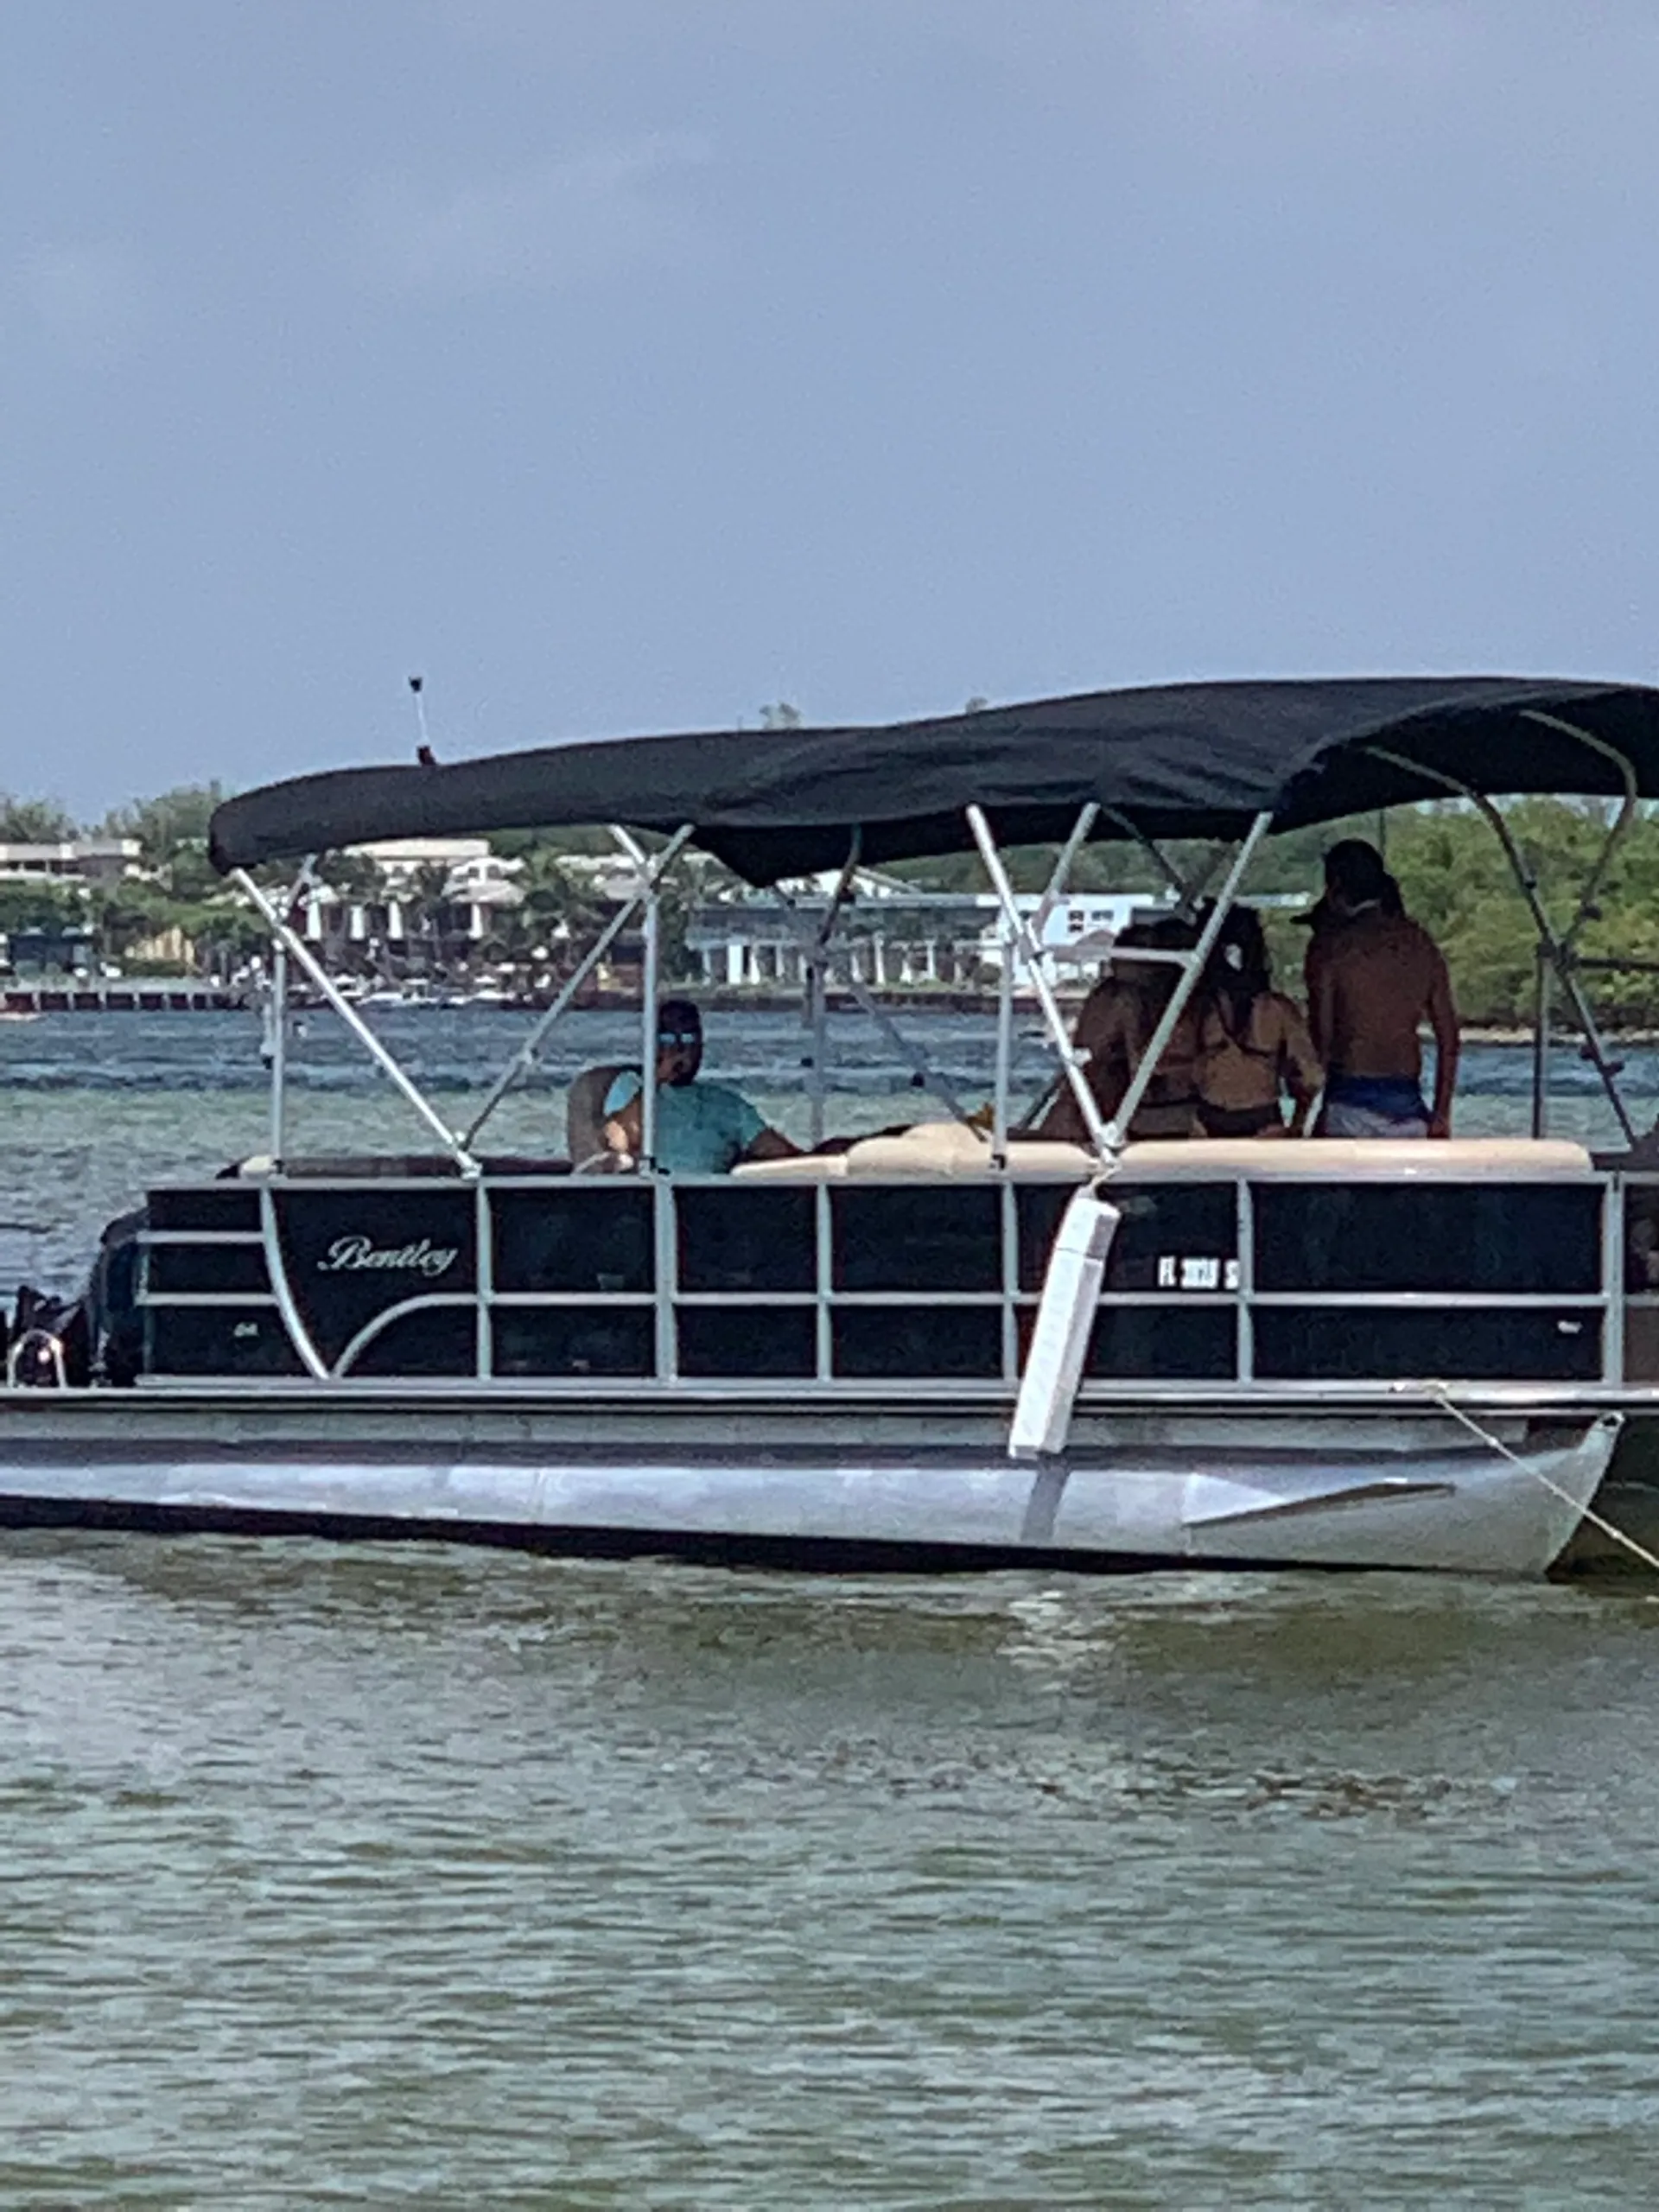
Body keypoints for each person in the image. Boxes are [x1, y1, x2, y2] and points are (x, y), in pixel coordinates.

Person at [1305, 838, 1459, 1139]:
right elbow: (1450, 1039)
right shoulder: (1420, 944)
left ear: (1335, 885)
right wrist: (1441, 1114)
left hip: (1349, 1101)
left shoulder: (1333, 948)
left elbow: (1321, 1042)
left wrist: (1309, 1114)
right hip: (1408, 1104)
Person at [1037, 917, 1200, 1142]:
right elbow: (1141, 1069)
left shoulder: (1107, 994)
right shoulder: (1126, 1000)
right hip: (1098, 1111)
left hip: (1087, 1105)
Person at [601, 999, 799, 1173]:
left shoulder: (726, 1104)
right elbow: (617, 1141)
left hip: (711, 1203)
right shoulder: (629, 1086)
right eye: (667, 1038)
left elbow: (777, 1152)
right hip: (654, 1198)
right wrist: (656, 1079)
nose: (679, 1048)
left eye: (689, 1038)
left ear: (701, 1046)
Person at [1190, 906, 1322, 1137]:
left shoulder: (1196, 1007)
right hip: (1264, 1121)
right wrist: (1298, 1124)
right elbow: (1310, 1075)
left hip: (1207, 1120)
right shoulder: (1277, 1008)